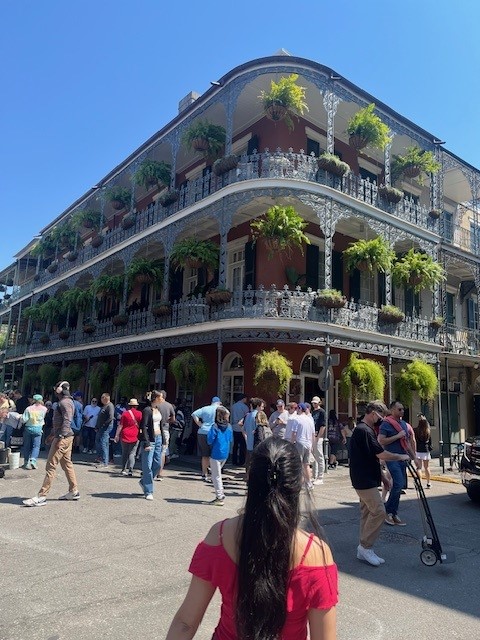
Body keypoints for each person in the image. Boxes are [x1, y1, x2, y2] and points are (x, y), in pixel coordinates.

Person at [166, 437, 338, 640]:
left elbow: (185, 623)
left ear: (249, 477)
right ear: (299, 481)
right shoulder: (316, 553)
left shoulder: (219, 535)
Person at [349, 400, 411, 566]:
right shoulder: (364, 431)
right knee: (379, 512)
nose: (381, 420)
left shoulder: (366, 430)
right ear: (373, 413)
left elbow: (372, 456)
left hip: (365, 477)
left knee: (367, 512)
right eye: (380, 416)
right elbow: (381, 454)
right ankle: (365, 546)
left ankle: (363, 548)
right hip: (364, 479)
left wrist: (383, 477)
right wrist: (400, 456)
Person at [23, 381, 80, 506]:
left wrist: (60, 437)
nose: (55, 391)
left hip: (63, 438)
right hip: (65, 436)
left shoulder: (64, 402)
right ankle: (74, 491)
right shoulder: (67, 401)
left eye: (56, 388)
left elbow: (67, 420)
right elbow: (61, 421)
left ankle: (42, 496)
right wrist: (52, 434)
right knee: (67, 464)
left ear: (59, 389)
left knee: (51, 466)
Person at [378, 400, 417, 526]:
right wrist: (397, 436)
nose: (402, 411)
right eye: (399, 409)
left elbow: (407, 443)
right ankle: (388, 511)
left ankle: (393, 512)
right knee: (398, 483)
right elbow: (381, 441)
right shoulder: (386, 424)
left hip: (403, 458)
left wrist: (414, 458)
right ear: (392, 410)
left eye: (403, 409)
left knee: (399, 486)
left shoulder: (404, 424)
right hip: (391, 458)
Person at [138, 390, 164, 500]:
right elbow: (144, 427)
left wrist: (163, 440)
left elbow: (160, 425)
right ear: (155, 398)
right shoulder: (147, 410)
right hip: (150, 439)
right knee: (147, 465)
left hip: (158, 438)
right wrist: (146, 442)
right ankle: (148, 490)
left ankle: (144, 481)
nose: (162, 399)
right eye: (161, 397)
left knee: (157, 464)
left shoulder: (158, 409)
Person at [206, 406, 233, 506]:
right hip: (225, 452)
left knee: (216, 476)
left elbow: (210, 440)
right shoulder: (229, 426)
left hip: (216, 452)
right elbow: (230, 439)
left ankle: (219, 496)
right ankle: (220, 494)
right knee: (218, 474)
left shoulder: (215, 427)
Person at [192, 396, 222, 482]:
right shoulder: (220, 409)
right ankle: (214, 474)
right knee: (214, 455)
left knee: (205, 455)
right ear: (219, 403)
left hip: (203, 431)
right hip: (215, 432)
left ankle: (204, 474)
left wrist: (199, 424)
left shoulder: (205, 408)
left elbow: (194, 414)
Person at [290, 402, 315, 490]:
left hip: (300, 442)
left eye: (297, 408)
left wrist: (291, 444)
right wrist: (312, 446)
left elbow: (294, 433)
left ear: (300, 409)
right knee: (306, 465)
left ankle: (299, 484)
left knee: (299, 465)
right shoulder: (310, 419)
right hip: (308, 444)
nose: (296, 410)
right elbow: (313, 434)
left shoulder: (297, 419)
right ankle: (309, 483)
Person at [114, 398, 142, 476]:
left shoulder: (125, 413)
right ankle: (130, 470)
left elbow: (120, 425)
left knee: (124, 453)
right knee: (132, 453)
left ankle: (123, 469)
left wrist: (116, 435)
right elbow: (141, 425)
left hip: (125, 434)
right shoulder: (140, 414)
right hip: (135, 435)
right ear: (136, 406)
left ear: (129, 405)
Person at [22, 394, 48, 469]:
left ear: (33, 400)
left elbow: (24, 419)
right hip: (38, 429)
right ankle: (33, 460)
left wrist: (20, 417)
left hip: (28, 428)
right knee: (36, 446)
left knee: (27, 446)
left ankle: (26, 462)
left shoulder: (28, 408)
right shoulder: (44, 409)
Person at [241, 397, 264, 476]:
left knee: (248, 463)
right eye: (261, 406)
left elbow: (243, 429)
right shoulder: (258, 416)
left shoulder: (248, 415)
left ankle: (248, 477)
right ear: (257, 406)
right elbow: (259, 431)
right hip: (256, 443)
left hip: (249, 444)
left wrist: (246, 438)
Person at [95, 393, 114, 467]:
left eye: (102, 398)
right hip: (101, 427)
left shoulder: (110, 406)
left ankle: (104, 461)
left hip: (106, 427)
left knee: (104, 443)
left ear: (105, 398)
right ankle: (101, 458)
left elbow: (111, 417)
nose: (101, 400)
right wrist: (97, 425)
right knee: (99, 441)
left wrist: (104, 424)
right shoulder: (104, 406)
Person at [414, 414, 433, 488]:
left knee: (419, 467)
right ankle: (429, 483)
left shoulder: (415, 430)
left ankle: (420, 483)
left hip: (418, 450)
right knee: (427, 467)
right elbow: (430, 442)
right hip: (426, 450)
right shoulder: (428, 431)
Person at [311, 396, 326, 485]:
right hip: (313, 436)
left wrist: (318, 437)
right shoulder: (313, 412)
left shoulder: (322, 412)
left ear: (319, 403)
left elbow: (323, 426)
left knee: (319, 456)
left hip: (318, 437)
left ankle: (320, 477)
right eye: (313, 403)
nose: (314, 404)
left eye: (316, 403)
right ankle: (314, 476)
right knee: (314, 456)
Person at [230, 394, 249, 466]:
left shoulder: (233, 406)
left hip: (234, 426)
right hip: (242, 427)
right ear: (243, 399)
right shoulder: (245, 407)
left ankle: (234, 460)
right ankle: (241, 461)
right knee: (242, 445)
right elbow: (246, 417)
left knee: (235, 445)